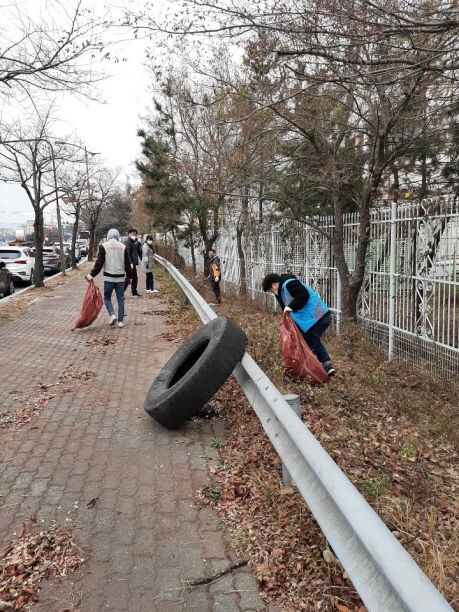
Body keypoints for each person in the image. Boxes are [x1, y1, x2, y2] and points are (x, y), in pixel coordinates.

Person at [262, 272, 335, 376]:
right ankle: (327, 366)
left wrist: (292, 306)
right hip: (312, 320)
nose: (272, 292)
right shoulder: (282, 292)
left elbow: (303, 295)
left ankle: (308, 370)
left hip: (318, 317)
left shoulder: (289, 284)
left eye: (271, 290)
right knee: (312, 339)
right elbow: (286, 310)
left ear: (274, 284)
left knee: (308, 345)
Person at [86, 228, 132, 328]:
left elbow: (99, 263)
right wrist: (130, 277)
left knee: (107, 297)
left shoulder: (103, 246)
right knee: (120, 299)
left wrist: (91, 275)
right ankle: (120, 322)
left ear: (108, 235)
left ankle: (112, 314)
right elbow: (127, 264)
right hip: (120, 278)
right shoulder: (123, 247)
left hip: (108, 278)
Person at [125, 228, 143, 298]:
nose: (134, 235)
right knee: (128, 278)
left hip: (133, 263)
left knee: (134, 278)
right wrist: (130, 263)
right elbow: (127, 253)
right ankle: (120, 293)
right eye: (132, 234)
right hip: (130, 264)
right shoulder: (128, 242)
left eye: (135, 234)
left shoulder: (133, 242)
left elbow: (137, 252)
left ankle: (134, 292)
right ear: (129, 234)